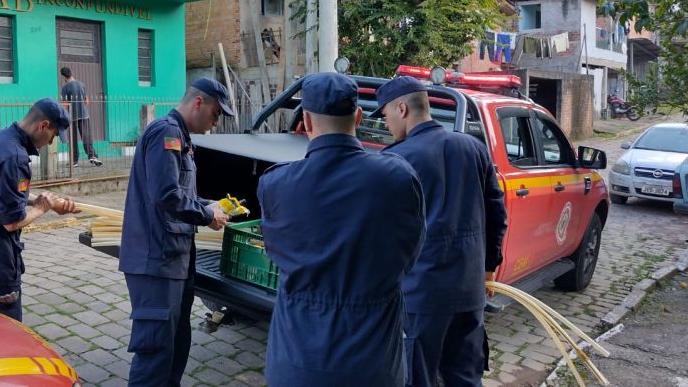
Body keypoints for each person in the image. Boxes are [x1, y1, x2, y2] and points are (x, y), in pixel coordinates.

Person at [257, 73, 426, 386]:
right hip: (372, 362)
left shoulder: (274, 183)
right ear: (359, 117)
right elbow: (410, 256)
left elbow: (275, 250)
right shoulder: (397, 177)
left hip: (296, 361)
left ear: (305, 121)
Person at [370, 76, 509, 387]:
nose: (387, 124)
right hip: (469, 291)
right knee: (465, 376)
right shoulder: (474, 148)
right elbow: (497, 214)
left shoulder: (395, 159)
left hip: (421, 298)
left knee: (417, 377)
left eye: (387, 115)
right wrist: (488, 269)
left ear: (402, 108)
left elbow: (381, 233)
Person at [118, 78, 235, 386]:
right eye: (216, 113)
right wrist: (206, 215)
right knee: (156, 351)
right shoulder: (167, 133)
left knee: (174, 347)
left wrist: (210, 203)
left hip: (173, 259)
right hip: (156, 260)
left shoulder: (181, 137)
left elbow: (179, 191)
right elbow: (166, 194)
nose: (216, 121)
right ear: (199, 102)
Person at [0, 98, 81, 321]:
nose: (50, 143)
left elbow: (0, 191)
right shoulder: (16, 157)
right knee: (3, 328)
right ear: (43, 125)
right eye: (54, 136)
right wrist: (41, 209)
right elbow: (11, 222)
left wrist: (45, 201)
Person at [59, 67, 102, 167]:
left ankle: (74, 161)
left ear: (64, 77)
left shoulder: (65, 88)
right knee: (87, 137)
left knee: (73, 139)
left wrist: (63, 116)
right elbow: (87, 101)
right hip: (84, 115)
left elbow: (65, 104)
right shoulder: (81, 84)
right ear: (71, 73)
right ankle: (92, 156)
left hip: (72, 116)